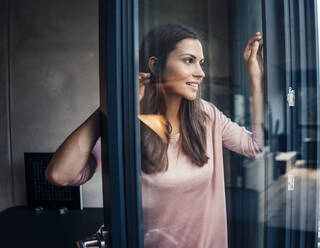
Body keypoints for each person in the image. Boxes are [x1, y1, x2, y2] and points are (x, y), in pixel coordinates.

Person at [45, 24, 264, 247]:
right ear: (155, 65)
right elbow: (60, 175)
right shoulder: (130, 123)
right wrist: (110, 106)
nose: (201, 73)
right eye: (189, 60)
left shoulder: (207, 116)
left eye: (201, 62)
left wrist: (255, 79)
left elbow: (256, 147)